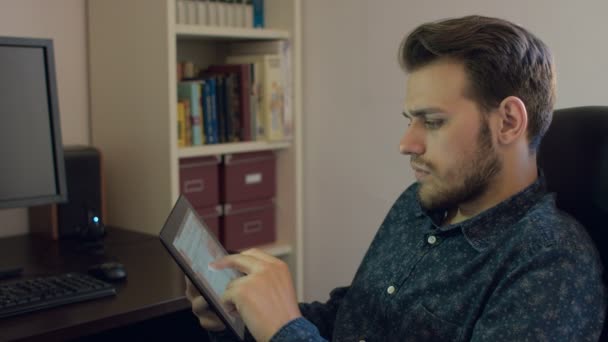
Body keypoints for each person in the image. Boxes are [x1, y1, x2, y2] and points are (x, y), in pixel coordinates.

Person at [185, 15, 606, 341]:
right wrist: (248, 314)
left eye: (432, 122)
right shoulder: (417, 203)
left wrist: (284, 330)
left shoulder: (551, 265)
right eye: (410, 120)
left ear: (509, 122)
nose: (407, 143)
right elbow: (349, 320)